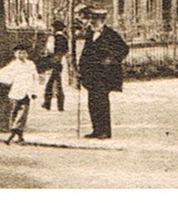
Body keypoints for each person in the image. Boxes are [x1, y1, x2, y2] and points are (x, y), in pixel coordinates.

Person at [77, 8, 128, 139]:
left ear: (101, 20)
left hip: (104, 75)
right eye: (91, 20)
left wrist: (111, 59)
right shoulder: (90, 34)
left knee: (102, 103)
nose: (91, 22)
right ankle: (96, 130)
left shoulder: (110, 34)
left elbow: (123, 49)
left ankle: (105, 131)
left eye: (94, 20)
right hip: (91, 74)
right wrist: (81, 69)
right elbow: (86, 53)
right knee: (92, 103)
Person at [0, 45, 41, 144]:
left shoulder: (30, 64)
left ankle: (11, 135)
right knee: (14, 113)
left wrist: (34, 91)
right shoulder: (13, 65)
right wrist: (8, 81)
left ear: (27, 54)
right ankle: (20, 137)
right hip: (16, 92)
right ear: (15, 54)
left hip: (27, 92)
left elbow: (35, 78)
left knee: (23, 114)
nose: (22, 55)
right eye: (19, 53)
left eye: (24, 53)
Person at [41, 19, 70, 112]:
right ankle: (60, 105)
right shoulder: (65, 38)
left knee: (50, 84)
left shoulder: (53, 38)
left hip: (53, 62)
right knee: (58, 84)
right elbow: (66, 50)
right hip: (61, 61)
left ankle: (47, 103)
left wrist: (46, 55)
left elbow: (50, 51)